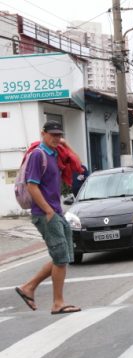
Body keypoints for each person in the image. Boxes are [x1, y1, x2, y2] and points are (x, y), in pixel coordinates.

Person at [15, 120, 81, 315]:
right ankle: (57, 303)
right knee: (60, 257)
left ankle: (28, 287)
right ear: (43, 134)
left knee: (64, 256)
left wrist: (66, 145)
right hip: (46, 214)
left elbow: (78, 165)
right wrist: (48, 211)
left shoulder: (55, 154)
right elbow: (31, 185)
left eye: (59, 135)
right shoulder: (38, 155)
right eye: (52, 134)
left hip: (56, 212)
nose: (56, 138)